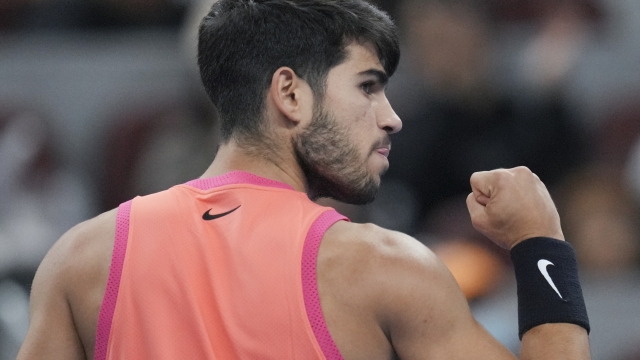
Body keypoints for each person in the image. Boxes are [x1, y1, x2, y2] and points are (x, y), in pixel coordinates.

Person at [17, 0, 591, 359]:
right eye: (368, 86)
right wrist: (541, 245)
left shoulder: (80, 260)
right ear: (290, 94)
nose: (391, 116)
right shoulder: (381, 266)